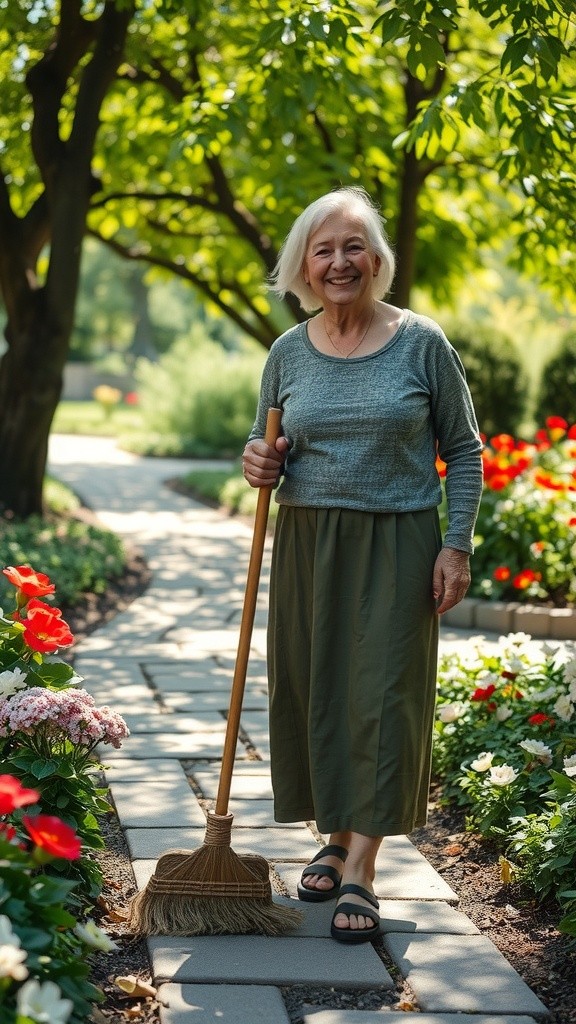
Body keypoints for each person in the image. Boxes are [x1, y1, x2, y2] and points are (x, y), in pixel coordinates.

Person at [242, 186, 483, 944]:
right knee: (317, 688)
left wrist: (457, 544)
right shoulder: (287, 352)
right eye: (324, 249)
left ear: (376, 260)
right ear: (303, 268)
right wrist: (258, 461)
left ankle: (363, 869)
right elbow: (264, 444)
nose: (340, 261)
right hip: (309, 538)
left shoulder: (421, 342)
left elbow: (465, 451)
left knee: (385, 695)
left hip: (398, 538)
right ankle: (334, 833)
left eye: (354, 247)